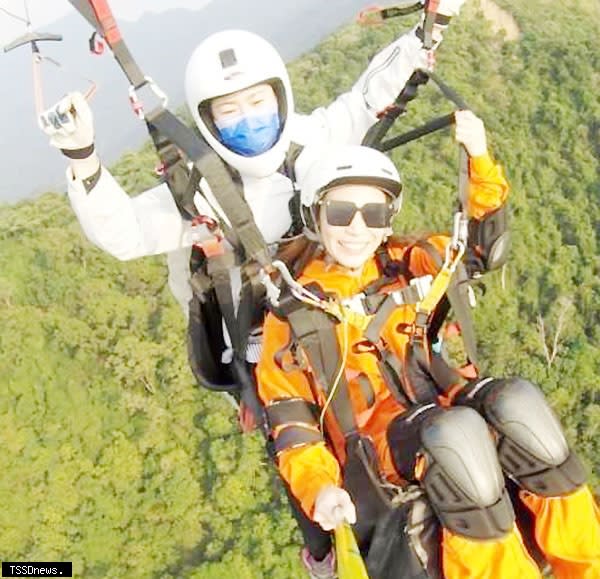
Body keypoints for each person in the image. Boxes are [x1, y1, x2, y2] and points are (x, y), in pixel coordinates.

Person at [256, 112, 600, 578]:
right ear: (315, 217)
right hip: (374, 442)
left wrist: (478, 158)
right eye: (341, 213)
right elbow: (294, 426)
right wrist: (319, 488)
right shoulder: (295, 312)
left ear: (386, 221)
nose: (357, 228)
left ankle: (586, 562)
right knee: (455, 437)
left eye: (372, 213)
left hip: (439, 397)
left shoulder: (405, 263)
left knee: (519, 403)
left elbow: (480, 249)